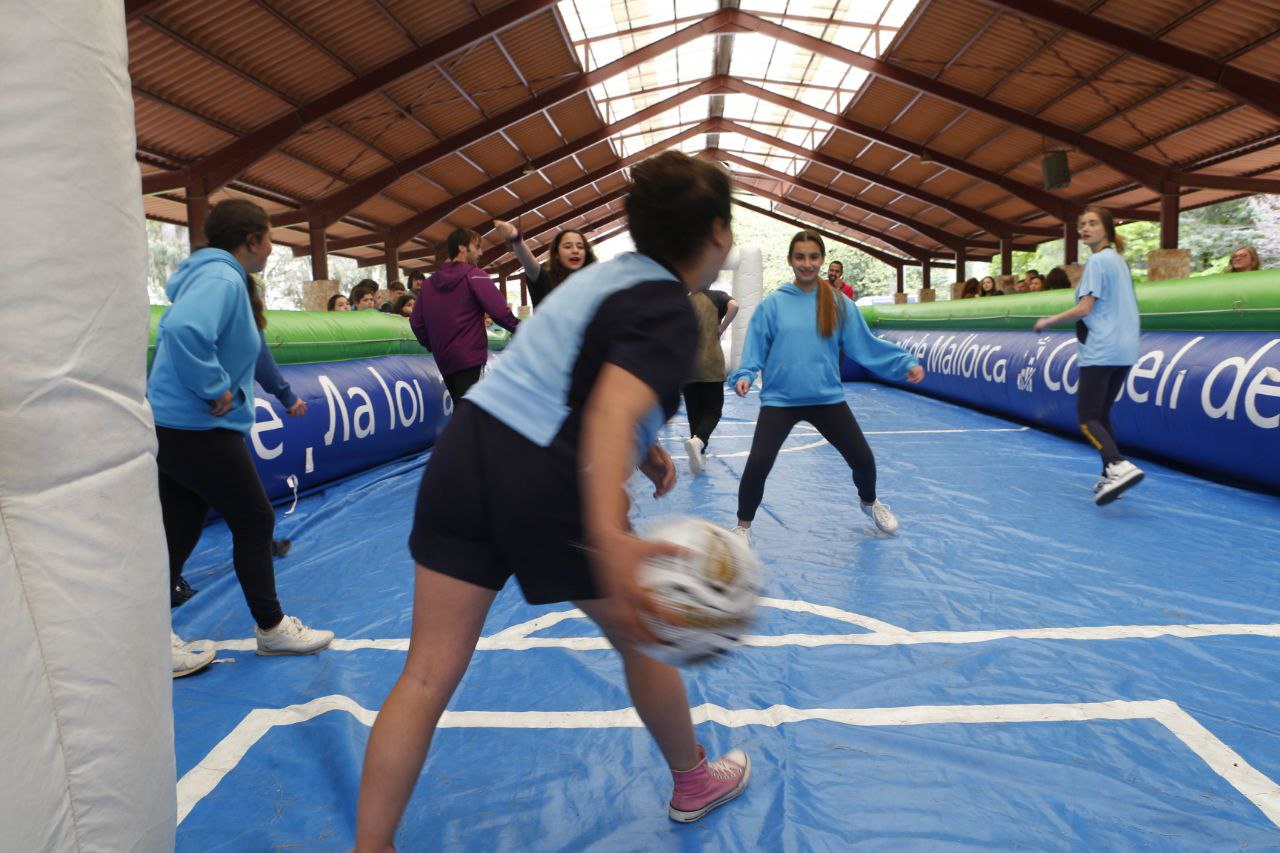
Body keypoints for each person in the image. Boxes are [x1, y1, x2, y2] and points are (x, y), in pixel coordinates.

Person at [355, 151, 748, 851]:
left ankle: (371, 845)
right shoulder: (670, 308)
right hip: (539, 471)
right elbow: (604, 413)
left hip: (466, 451)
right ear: (718, 231)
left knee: (425, 671)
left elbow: (571, 374)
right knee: (644, 633)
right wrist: (611, 535)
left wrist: (646, 443)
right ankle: (693, 779)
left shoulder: (601, 279)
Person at [148, 199, 333, 678]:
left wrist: (285, 393)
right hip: (197, 426)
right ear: (251, 240)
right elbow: (184, 329)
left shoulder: (223, 278)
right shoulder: (223, 277)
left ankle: (147, 637)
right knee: (254, 518)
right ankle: (272, 628)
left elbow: (253, 349)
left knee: (182, 525)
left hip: (176, 427)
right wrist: (215, 387)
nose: (272, 249)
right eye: (269, 239)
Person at [730, 231, 924, 542]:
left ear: (821, 260)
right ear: (791, 260)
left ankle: (870, 502)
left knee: (863, 459)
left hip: (826, 399)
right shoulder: (774, 304)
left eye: (813, 257)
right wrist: (745, 373)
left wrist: (904, 363)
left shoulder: (838, 303)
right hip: (780, 400)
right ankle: (742, 528)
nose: (807, 264)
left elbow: (865, 344)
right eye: (800, 257)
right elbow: (755, 346)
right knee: (759, 462)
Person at [1034, 206, 1143, 505]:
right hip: (1124, 350)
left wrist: (1048, 321)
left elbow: (1084, 308)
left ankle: (1118, 464)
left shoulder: (1097, 262)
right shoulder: (1118, 262)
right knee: (1102, 414)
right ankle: (1110, 471)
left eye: (1092, 223)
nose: (1085, 228)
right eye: (1082, 224)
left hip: (1101, 349)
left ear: (1107, 229)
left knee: (1086, 418)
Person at [408, 228, 520, 401]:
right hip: (470, 357)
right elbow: (499, 312)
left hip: (444, 358)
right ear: (462, 248)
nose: (481, 252)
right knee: (468, 412)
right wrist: (523, 328)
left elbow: (416, 321)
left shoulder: (429, 284)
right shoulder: (475, 276)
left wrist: (433, 345)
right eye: (477, 247)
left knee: (461, 407)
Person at [682, 286, 730, 475]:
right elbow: (734, 305)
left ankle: (698, 456)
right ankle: (699, 440)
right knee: (713, 411)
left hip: (688, 367)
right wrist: (721, 328)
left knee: (694, 413)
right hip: (711, 365)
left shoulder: (684, 301)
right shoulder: (716, 296)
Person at [494, 221, 597, 307]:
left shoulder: (595, 284)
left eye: (580, 246)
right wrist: (516, 238)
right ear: (556, 254)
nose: (575, 250)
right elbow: (529, 263)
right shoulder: (545, 279)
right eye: (567, 246)